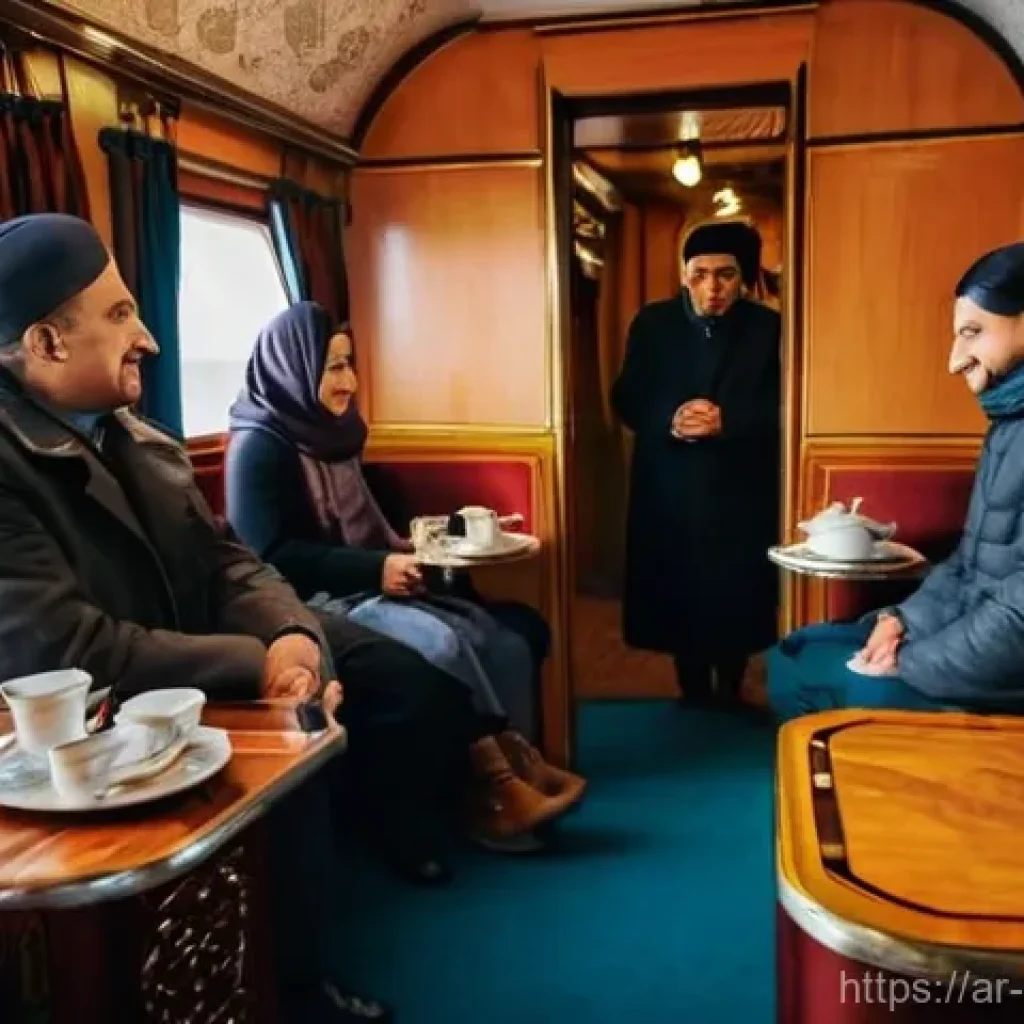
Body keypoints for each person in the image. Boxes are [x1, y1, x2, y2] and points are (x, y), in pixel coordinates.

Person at [0, 211, 472, 1020]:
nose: (146, 337)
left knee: (307, 747)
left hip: (188, 695)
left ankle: (293, 984)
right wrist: (251, 666)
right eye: (118, 316)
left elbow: (230, 561)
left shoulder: (137, 439)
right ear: (44, 345)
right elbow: (62, 646)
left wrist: (292, 637)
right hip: (85, 746)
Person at [224, 302, 586, 851]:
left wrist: (404, 556)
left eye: (350, 365)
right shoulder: (258, 447)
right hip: (304, 604)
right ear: (293, 368)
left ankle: (515, 767)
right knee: (441, 642)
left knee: (490, 636)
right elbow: (267, 556)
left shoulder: (337, 432)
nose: (347, 381)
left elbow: (367, 525)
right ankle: (493, 786)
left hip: (359, 582)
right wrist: (376, 567)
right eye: (331, 368)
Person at [768, 241, 1024, 721]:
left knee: (810, 678)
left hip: (995, 677)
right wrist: (898, 621)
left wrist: (909, 662)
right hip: (966, 643)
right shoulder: (1009, 423)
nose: (954, 361)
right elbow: (967, 566)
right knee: (796, 649)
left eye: (972, 332)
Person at [610, 219, 782, 707]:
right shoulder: (652, 323)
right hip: (670, 481)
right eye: (700, 273)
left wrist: (728, 422)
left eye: (725, 274)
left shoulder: (770, 328)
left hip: (740, 482)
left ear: (743, 277)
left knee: (734, 587)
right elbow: (626, 396)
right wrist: (672, 416)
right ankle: (689, 686)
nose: (712, 287)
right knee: (677, 584)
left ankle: (730, 683)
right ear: (684, 275)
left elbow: (787, 406)